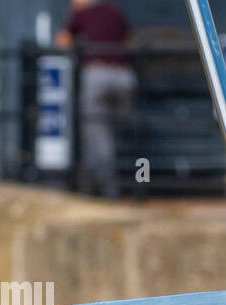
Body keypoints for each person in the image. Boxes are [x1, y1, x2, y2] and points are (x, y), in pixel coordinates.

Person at [56, 0, 136, 198]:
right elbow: (129, 41)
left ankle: (107, 192)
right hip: (124, 78)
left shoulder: (81, 14)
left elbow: (62, 42)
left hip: (97, 76)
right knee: (116, 131)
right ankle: (123, 183)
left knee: (98, 134)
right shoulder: (116, 12)